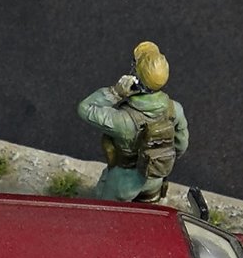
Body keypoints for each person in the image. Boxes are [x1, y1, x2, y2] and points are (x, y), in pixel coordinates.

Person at [77, 41, 189, 202]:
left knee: (105, 211)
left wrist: (115, 93)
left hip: (124, 181)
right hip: (155, 177)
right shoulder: (175, 109)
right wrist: (160, 159)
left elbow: (85, 108)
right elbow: (181, 145)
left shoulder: (122, 120)